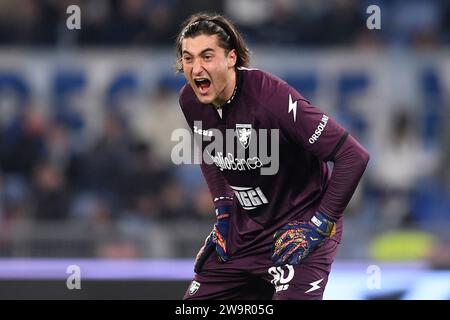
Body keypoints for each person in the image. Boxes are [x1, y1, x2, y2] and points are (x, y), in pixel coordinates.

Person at [175, 13, 369, 300]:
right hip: (246, 231)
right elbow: (210, 152)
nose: (196, 68)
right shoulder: (190, 101)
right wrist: (224, 213)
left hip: (299, 226)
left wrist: (319, 224)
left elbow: (353, 156)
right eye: (188, 58)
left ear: (231, 58)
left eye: (207, 56)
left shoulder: (270, 98)